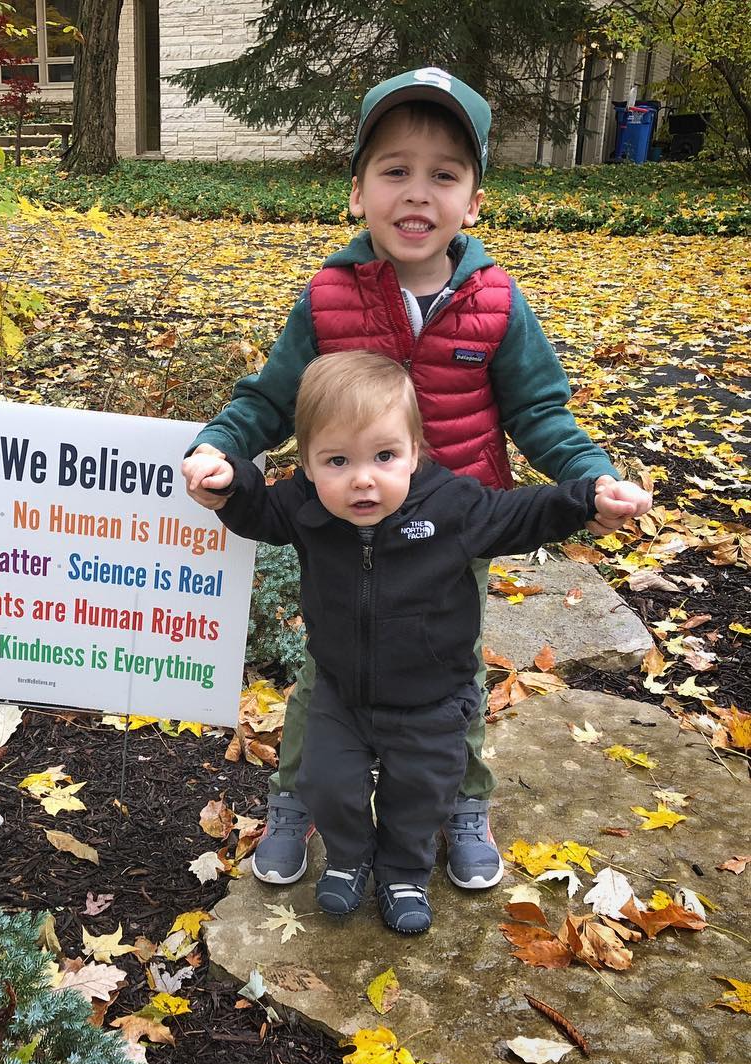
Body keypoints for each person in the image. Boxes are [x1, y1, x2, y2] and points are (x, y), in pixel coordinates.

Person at [181, 67, 642, 895]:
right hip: (340, 521)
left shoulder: (495, 301)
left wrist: (591, 478)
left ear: (474, 202)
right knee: (327, 669)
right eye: (395, 170)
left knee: (453, 672)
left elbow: (541, 412)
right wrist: (220, 448)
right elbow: (270, 400)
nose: (417, 191)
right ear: (359, 192)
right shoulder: (331, 296)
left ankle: (462, 800)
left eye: (444, 174)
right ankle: (298, 796)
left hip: (453, 526)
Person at [200, 351, 651, 932]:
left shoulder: (453, 507)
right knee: (326, 784)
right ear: (307, 465)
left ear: (415, 451)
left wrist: (585, 499)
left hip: (431, 699)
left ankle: (403, 872)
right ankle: (350, 857)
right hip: (340, 695)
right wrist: (231, 483)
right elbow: (257, 509)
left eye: (384, 456)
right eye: (337, 460)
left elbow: (524, 513)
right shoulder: (307, 505)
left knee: (419, 798)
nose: (363, 478)